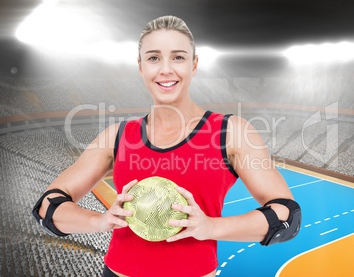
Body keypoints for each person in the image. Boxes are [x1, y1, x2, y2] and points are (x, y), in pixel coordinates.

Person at [32, 15, 301, 277]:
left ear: (194, 65)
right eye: (153, 58)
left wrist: (210, 227)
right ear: (141, 67)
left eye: (178, 57)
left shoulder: (231, 133)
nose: (165, 69)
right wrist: (98, 221)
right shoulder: (117, 136)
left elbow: (287, 216)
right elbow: (48, 205)